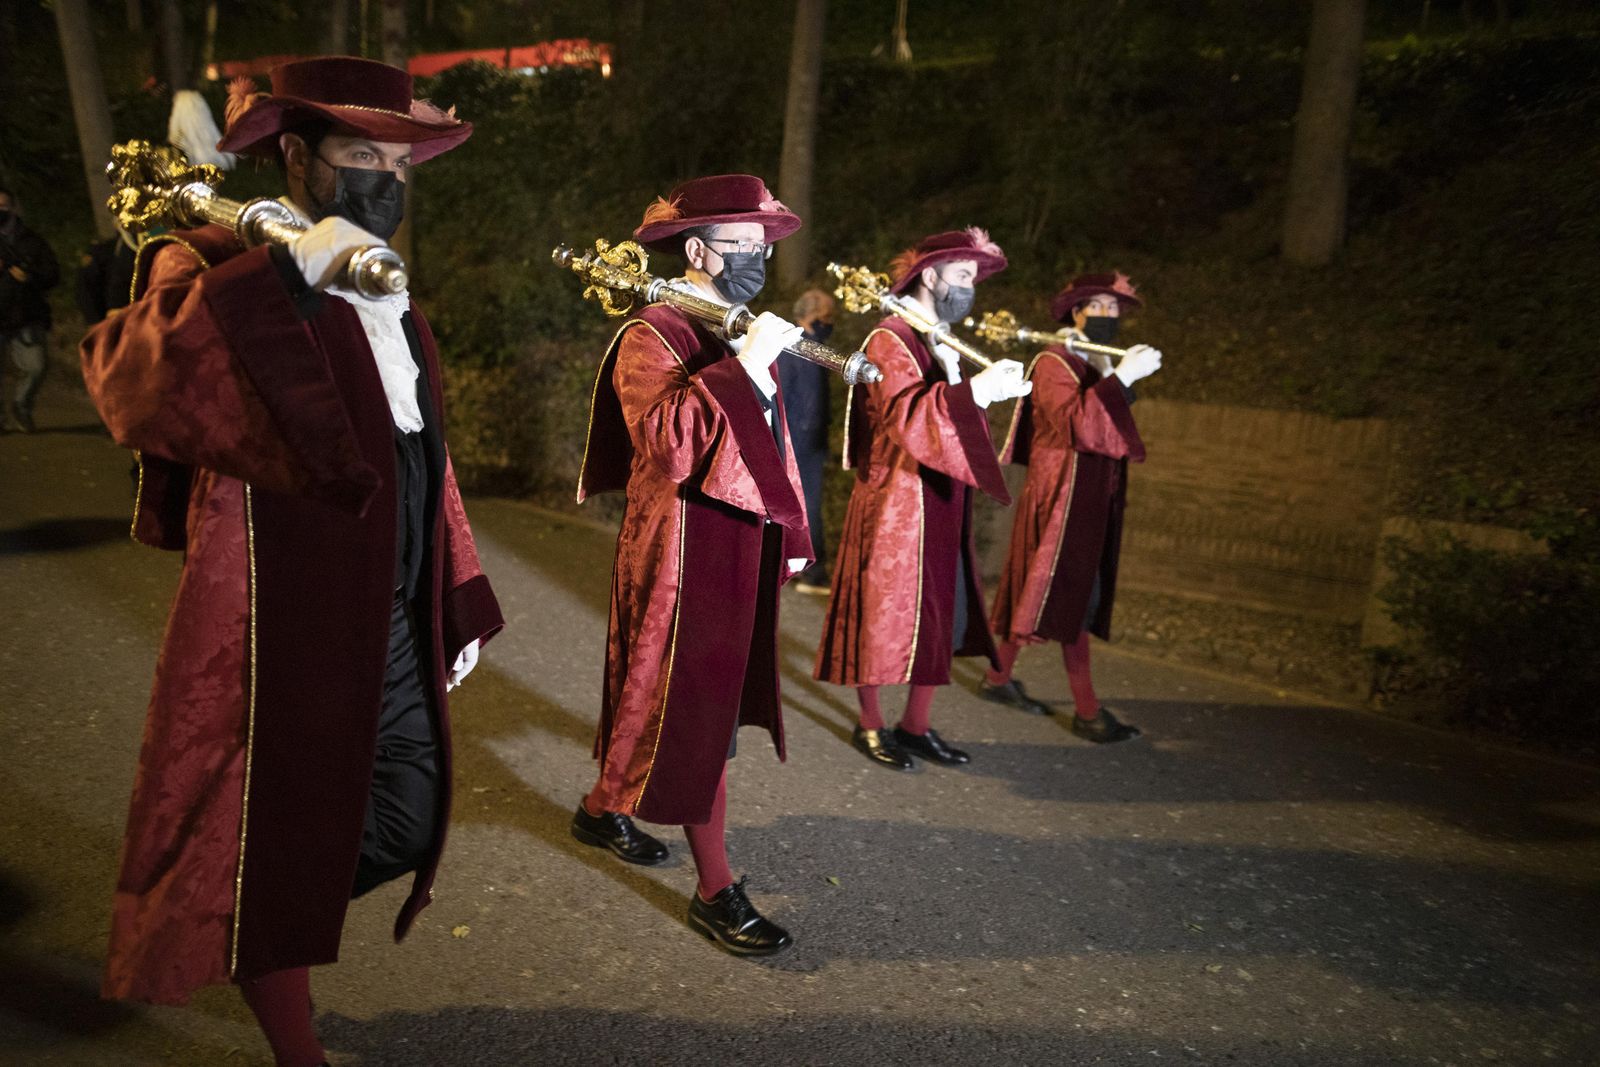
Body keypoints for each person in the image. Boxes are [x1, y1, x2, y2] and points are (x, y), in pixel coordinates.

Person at [80, 57, 504, 1067]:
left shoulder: (392, 291)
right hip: (283, 611)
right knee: (285, 819)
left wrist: (452, 587)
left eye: (400, 164)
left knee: (405, 812)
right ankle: (286, 1016)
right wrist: (284, 270)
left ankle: (240, 896)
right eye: (363, 157)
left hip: (392, 601)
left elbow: (421, 457)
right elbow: (129, 381)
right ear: (298, 155)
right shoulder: (214, 255)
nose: (384, 182)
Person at [572, 174, 814, 956]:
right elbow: (669, 446)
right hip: (679, 540)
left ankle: (600, 806)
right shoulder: (652, 332)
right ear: (701, 250)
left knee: (674, 697)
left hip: (738, 533)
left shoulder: (738, 323)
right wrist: (739, 366)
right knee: (692, 711)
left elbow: (771, 442)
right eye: (745, 248)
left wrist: (794, 530)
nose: (759, 261)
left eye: (764, 249)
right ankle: (716, 889)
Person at [814, 228, 1031, 770]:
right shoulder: (889, 338)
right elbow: (907, 417)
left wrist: (980, 390)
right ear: (930, 275)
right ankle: (870, 723)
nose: (970, 288)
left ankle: (915, 725)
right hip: (896, 499)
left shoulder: (935, 335)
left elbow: (956, 422)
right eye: (963, 276)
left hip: (940, 493)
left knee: (941, 609)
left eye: (975, 279)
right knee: (881, 614)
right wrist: (975, 391)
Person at [982, 272, 1161, 743]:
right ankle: (1087, 710)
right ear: (1075, 312)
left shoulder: (1094, 359)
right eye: (1096, 306)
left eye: (1113, 308)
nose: (1107, 315)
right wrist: (1121, 380)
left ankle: (998, 678)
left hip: (1089, 489)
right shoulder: (1052, 361)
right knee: (1069, 593)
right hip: (1061, 492)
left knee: (1047, 589)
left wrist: (1115, 376)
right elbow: (1077, 424)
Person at [779, 287, 835, 594]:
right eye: (827, 316)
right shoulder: (801, 347)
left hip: (804, 437)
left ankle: (797, 566)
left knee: (801, 505)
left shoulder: (798, 343)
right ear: (812, 317)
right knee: (808, 505)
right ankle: (811, 572)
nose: (830, 322)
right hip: (803, 440)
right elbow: (797, 396)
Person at [0, 187, 61, 433]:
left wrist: (29, 277)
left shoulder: (33, 241)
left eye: (3, 206)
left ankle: (21, 406)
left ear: (14, 208)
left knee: (36, 366)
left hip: (26, 317)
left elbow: (52, 275)